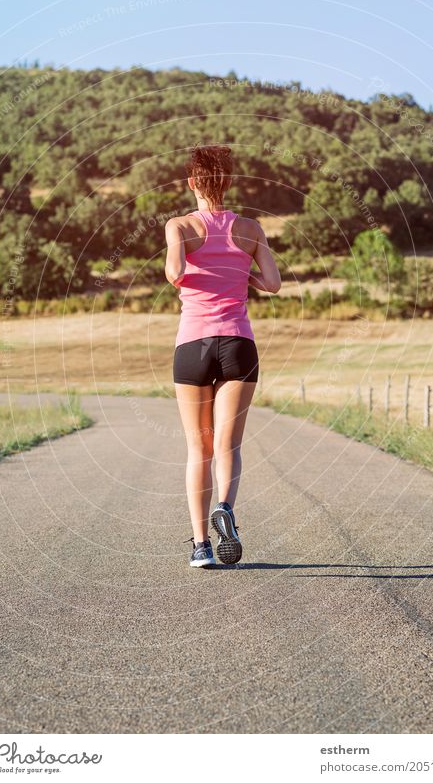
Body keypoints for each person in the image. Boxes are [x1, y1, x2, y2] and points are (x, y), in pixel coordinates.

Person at [165, 145, 281, 567]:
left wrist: (188, 256)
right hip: (238, 344)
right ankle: (226, 509)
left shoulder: (178, 225)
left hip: (192, 345)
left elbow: (174, 272)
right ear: (229, 183)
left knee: (199, 447)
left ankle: (200, 546)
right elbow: (273, 283)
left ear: (192, 182)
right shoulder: (250, 228)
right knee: (229, 443)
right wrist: (240, 268)